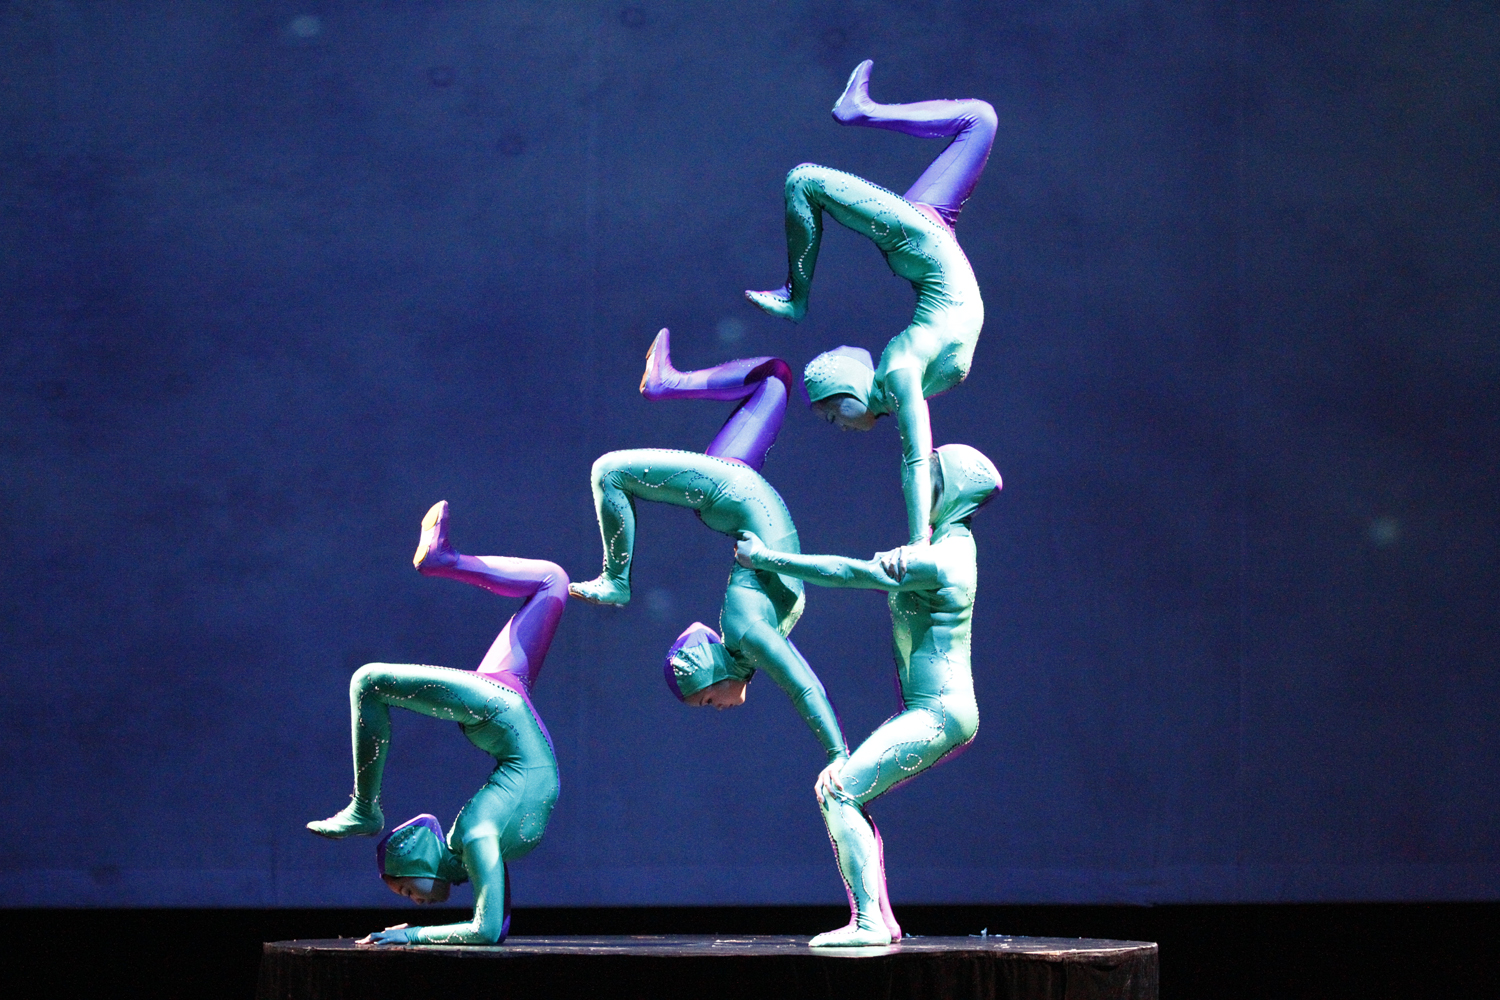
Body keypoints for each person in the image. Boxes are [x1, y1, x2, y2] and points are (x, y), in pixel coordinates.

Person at [735, 444, 1002, 946]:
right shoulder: (946, 548)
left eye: (933, 483)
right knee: (841, 790)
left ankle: (869, 923)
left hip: (940, 713)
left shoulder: (940, 560)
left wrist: (765, 558)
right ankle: (880, 918)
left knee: (840, 791)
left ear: (954, 493)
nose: (920, 492)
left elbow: (847, 574)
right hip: (934, 709)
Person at [746, 60, 997, 546]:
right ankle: (862, 110)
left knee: (803, 180)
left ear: (851, 387)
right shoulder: (901, 381)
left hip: (917, 240)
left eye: (831, 412)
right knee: (980, 120)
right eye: (830, 417)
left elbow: (916, 458)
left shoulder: (900, 371)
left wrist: (917, 540)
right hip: (933, 231)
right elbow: (918, 456)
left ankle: (796, 296)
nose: (837, 425)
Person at [569, 329, 847, 763]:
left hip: (728, 492)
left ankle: (616, 580)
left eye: (706, 699)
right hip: (738, 486)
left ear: (709, 673)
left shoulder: (746, 633)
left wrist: (837, 754)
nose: (716, 708)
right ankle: (666, 382)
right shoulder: (747, 646)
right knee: (774, 378)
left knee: (610, 472)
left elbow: (804, 687)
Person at [306, 501, 565, 945]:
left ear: (421, 864)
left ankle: (365, 808)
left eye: (407, 889)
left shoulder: (475, 835)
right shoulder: (476, 842)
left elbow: (484, 930)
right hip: (506, 704)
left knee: (368, 682)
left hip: (496, 708)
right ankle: (444, 560)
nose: (415, 901)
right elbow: (497, 925)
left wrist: (412, 937)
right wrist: (415, 930)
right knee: (552, 581)